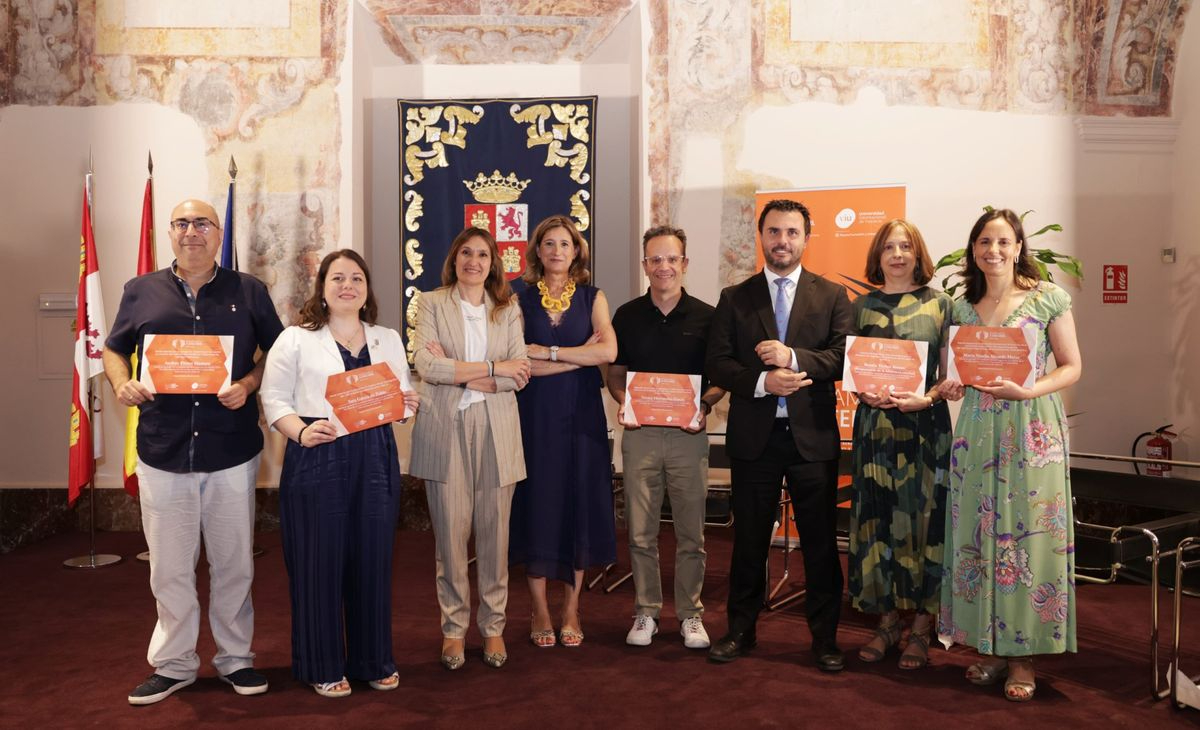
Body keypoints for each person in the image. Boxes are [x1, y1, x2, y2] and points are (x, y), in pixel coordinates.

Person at [104, 199, 283, 705]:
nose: (192, 231)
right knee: (169, 568)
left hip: (231, 450)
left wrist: (248, 383)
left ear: (218, 233)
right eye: (182, 223)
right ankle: (174, 664)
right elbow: (114, 348)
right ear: (170, 233)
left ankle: (236, 659)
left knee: (234, 564)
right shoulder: (140, 291)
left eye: (202, 223)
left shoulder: (249, 291)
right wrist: (121, 382)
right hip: (163, 450)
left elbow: (279, 351)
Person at [260, 249, 420, 697]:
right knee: (319, 561)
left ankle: (373, 660)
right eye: (338, 278)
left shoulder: (387, 338)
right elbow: (274, 399)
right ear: (323, 288)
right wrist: (299, 431)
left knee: (373, 558)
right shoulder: (295, 339)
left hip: (375, 456)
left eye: (356, 278)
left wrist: (407, 405)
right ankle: (322, 664)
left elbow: (401, 393)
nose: (347, 285)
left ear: (367, 289)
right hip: (318, 453)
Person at [937, 208, 1081, 702]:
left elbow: (1072, 366)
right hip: (977, 429)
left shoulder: (1047, 298)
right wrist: (952, 385)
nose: (993, 250)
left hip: (1031, 429)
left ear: (1019, 247)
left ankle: (1024, 655)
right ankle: (991, 647)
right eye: (984, 242)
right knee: (980, 536)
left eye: (1003, 241)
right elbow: (955, 375)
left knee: (1028, 538)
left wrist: (1030, 389)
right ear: (973, 249)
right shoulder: (961, 307)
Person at [705, 198, 854, 671]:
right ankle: (740, 631)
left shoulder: (832, 296)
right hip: (756, 439)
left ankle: (825, 640)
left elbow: (843, 358)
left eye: (791, 232)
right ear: (762, 236)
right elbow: (718, 363)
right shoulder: (735, 297)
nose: (782, 241)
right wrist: (762, 382)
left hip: (812, 440)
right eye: (773, 231)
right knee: (749, 542)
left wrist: (792, 358)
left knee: (820, 545)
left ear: (806, 237)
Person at [409, 227, 531, 670]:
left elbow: (521, 372)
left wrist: (461, 371)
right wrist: (493, 369)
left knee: (496, 536)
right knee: (451, 536)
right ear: (454, 258)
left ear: (493, 262)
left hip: (498, 428)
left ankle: (493, 626)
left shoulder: (507, 307)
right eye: (466, 252)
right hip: (446, 428)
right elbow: (426, 364)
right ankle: (454, 630)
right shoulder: (431, 302)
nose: (473, 261)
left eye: (482, 254)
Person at [606, 225, 724, 650]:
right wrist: (624, 401)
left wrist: (704, 405)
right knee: (640, 532)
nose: (664, 266)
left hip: (689, 436)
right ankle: (647, 611)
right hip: (639, 434)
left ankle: (690, 614)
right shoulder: (627, 315)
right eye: (655, 259)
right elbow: (615, 373)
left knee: (692, 533)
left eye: (672, 258)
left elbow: (721, 378)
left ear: (684, 263)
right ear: (645, 265)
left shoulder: (708, 317)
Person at [847, 219, 953, 670]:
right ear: (878, 254)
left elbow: (951, 376)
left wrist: (927, 397)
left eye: (905, 246)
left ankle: (922, 630)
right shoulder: (860, 306)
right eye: (888, 247)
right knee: (877, 523)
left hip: (925, 430)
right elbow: (852, 368)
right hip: (875, 431)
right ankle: (887, 624)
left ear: (917, 253)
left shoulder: (941, 305)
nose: (897, 254)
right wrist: (862, 392)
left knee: (925, 525)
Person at [509, 214, 618, 648]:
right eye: (549, 243)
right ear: (538, 250)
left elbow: (609, 350)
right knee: (537, 505)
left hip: (582, 418)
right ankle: (539, 609)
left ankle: (572, 609)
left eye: (565, 244)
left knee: (579, 506)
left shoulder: (594, 296)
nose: (557, 251)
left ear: (577, 252)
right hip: (533, 418)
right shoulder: (517, 296)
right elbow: (518, 364)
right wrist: (578, 356)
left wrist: (550, 353)